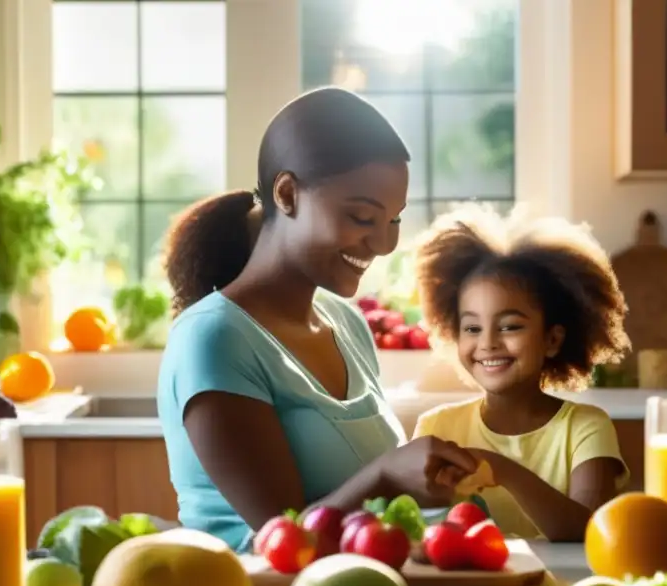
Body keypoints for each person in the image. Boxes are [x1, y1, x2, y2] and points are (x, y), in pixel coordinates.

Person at [156, 87, 478, 552]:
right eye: (363, 216)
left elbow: (364, 522)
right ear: (287, 194)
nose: (384, 243)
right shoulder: (215, 338)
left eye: (393, 220)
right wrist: (387, 475)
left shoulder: (345, 324)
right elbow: (283, 544)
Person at [411, 204, 632, 541]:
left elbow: (587, 531)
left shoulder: (586, 428)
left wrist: (499, 468)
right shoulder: (436, 428)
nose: (487, 343)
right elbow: (418, 527)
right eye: (472, 328)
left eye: (510, 326)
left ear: (552, 339)